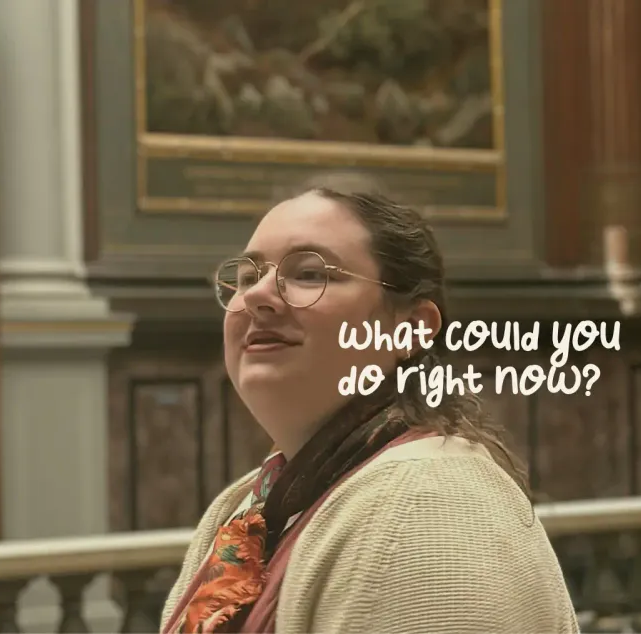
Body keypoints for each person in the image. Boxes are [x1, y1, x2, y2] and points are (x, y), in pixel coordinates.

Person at [159, 186, 577, 633]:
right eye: (245, 277)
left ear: (411, 328)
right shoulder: (250, 502)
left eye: (308, 274)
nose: (258, 295)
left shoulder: (429, 508)